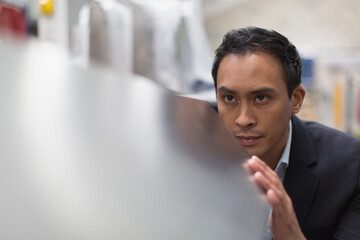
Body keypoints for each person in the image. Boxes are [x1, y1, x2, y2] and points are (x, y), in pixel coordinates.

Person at [211, 26, 360, 240]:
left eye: (260, 98)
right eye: (229, 98)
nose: (243, 119)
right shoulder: (193, 161)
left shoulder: (351, 168)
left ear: (296, 99)